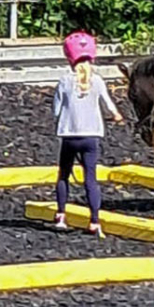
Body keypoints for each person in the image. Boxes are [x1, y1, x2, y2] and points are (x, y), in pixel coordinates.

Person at [52, 31, 124, 237]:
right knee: (90, 179)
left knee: (64, 175)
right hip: (91, 137)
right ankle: (94, 221)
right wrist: (117, 116)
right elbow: (110, 107)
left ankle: (61, 215)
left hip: (69, 136)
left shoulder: (65, 81)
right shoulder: (98, 81)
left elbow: (55, 110)